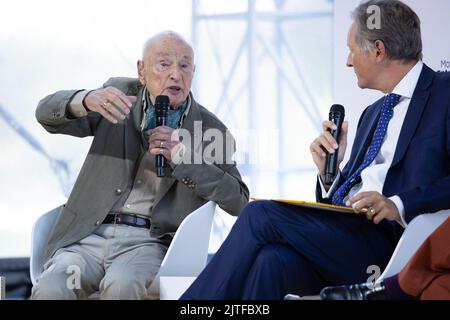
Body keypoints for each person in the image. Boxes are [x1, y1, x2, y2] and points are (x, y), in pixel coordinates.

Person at [180, 0, 450, 300]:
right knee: (270, 261)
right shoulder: (373, 113)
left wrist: (397, 203)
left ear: (377, 50)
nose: (348, 62)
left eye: (352, 50)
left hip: (392, 243)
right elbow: (344, 195)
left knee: (260, 215)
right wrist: (328, 177)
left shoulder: (444, 92)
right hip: (346, 235)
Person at [31, 31, 249, 300]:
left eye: (184, 65)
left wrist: (183, 157)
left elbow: (239, 200)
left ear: (193, 72)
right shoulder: (118, 96)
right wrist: (86, 99)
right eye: (164, 63)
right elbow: (45, 115)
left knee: (122, 285)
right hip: (87, 237)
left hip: (147, 242)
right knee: (51, 286)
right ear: (141, 71)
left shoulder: (210, 129)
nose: (175, 74)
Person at [320, 216, 450, 300]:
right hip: (344, 220)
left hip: (385, 227)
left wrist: (399, 204)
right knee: (439, 285)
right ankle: (397, 287)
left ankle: (397, 287)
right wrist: (328, 183)